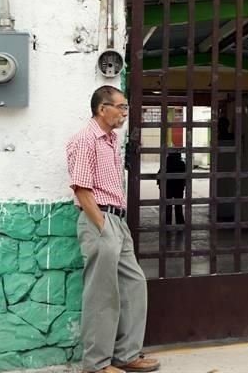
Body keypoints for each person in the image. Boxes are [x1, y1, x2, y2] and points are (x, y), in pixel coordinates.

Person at [67, 86, 161, 373]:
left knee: (134, 285)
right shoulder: (86, 139)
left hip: (116, 221)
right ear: (101, 108)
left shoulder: (109, 140)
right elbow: (82, 189)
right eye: (120, 107)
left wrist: (115, 225)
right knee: (102, 294)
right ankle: (96, 364)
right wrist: (104, 226)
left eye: (125, 107)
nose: (124, 113)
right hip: (100, 220)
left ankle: (126, 355)